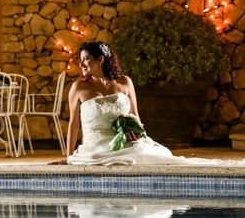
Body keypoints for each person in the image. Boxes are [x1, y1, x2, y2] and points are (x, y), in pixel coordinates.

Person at [64, 41, 232, 166]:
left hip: (125, 141)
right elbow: (74, 123)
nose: (81, 64)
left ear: (100, 59)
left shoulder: (125, 82)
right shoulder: (78, 87)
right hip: (96, 147)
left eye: (86, 59)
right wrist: (69, 157)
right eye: (80, 60)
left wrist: (136, 133)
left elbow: (134, 115)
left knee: (154, 157)